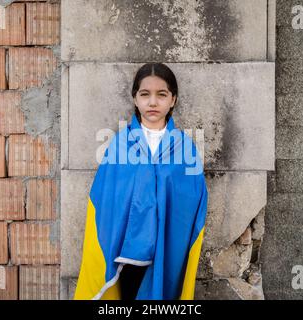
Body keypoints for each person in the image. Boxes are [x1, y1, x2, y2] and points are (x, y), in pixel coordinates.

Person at [74, 63, 208, 300]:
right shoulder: (119, 145)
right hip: (126, 248)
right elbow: (105, 198)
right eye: (145, 94)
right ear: (135, 99)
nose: (153, 102)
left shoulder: (185, 148)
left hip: (168, 241)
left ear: (173, 100)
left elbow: (193, 199)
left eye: (161, 95)